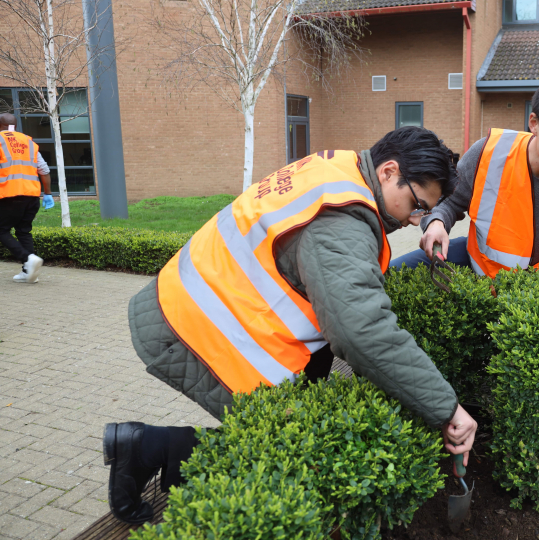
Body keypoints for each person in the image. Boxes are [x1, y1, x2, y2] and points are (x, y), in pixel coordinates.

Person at [104, 127, 479, 524]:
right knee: (287, 453)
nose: (413, 220)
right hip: (200, 328)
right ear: (388, 172)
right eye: (417, 205)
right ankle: (145, 450)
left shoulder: (339, 171)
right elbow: (361, 330)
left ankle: (145, 448)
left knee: (284, 437)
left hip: (200, 308)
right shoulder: (341, 220)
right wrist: (446, 408)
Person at [390, 77, 539, 277]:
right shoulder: (489, 154)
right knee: (390, 275)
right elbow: (448, 202)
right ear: (535, 123)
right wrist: (437, 223)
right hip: (478, 269)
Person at [0, 113, 53, 283]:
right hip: (31, 197)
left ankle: (28, 258)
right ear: (15, 125)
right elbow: (44, 170)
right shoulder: (29, 142)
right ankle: (28, 272)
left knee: (1, 230)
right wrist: (48, 193)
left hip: (9, 196)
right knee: (23, 231)